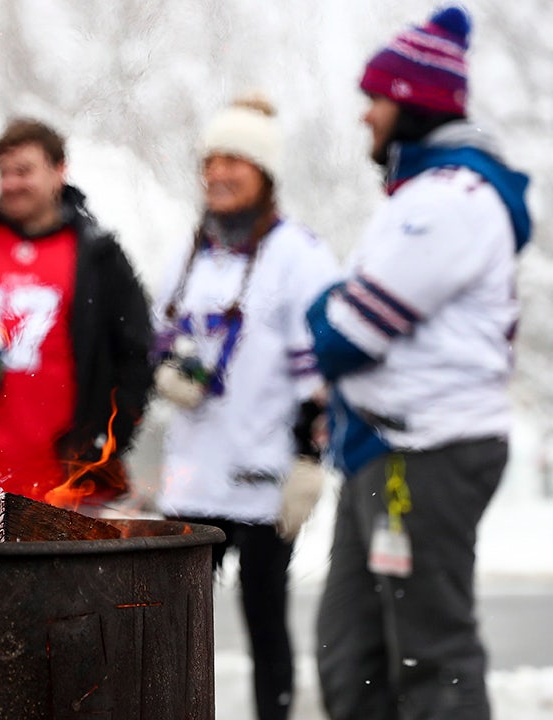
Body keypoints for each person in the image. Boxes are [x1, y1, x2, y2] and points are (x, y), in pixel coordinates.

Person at [307, 7, 531, 718]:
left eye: (374, 99)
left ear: (410, 102)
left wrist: (327, 305)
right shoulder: (416, 196)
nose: (364, 116)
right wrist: (335, 304)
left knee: (429, 657)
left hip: (426, 450)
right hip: (382, 447)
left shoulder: (452, 201)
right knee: (353, 655)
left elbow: (343, 333)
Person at [151, 98, 338, 720]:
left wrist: (312, 459)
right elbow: (158, 335)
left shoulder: (300, 256)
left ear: (265, 173)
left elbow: (324, 374)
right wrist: (168, 370)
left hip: (262, 477)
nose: (219, 172)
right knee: (170, 635)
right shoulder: (191, 253)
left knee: (265, 624)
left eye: (236, 160)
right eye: (211, 160)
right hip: (191, 476)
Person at [0, 119, 152, 515]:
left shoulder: (100, 256)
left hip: (70, 484)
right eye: (4, 173)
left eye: (24, 171)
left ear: (58, 171)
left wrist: (109, 440)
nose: (12, 184)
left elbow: (137, 356)